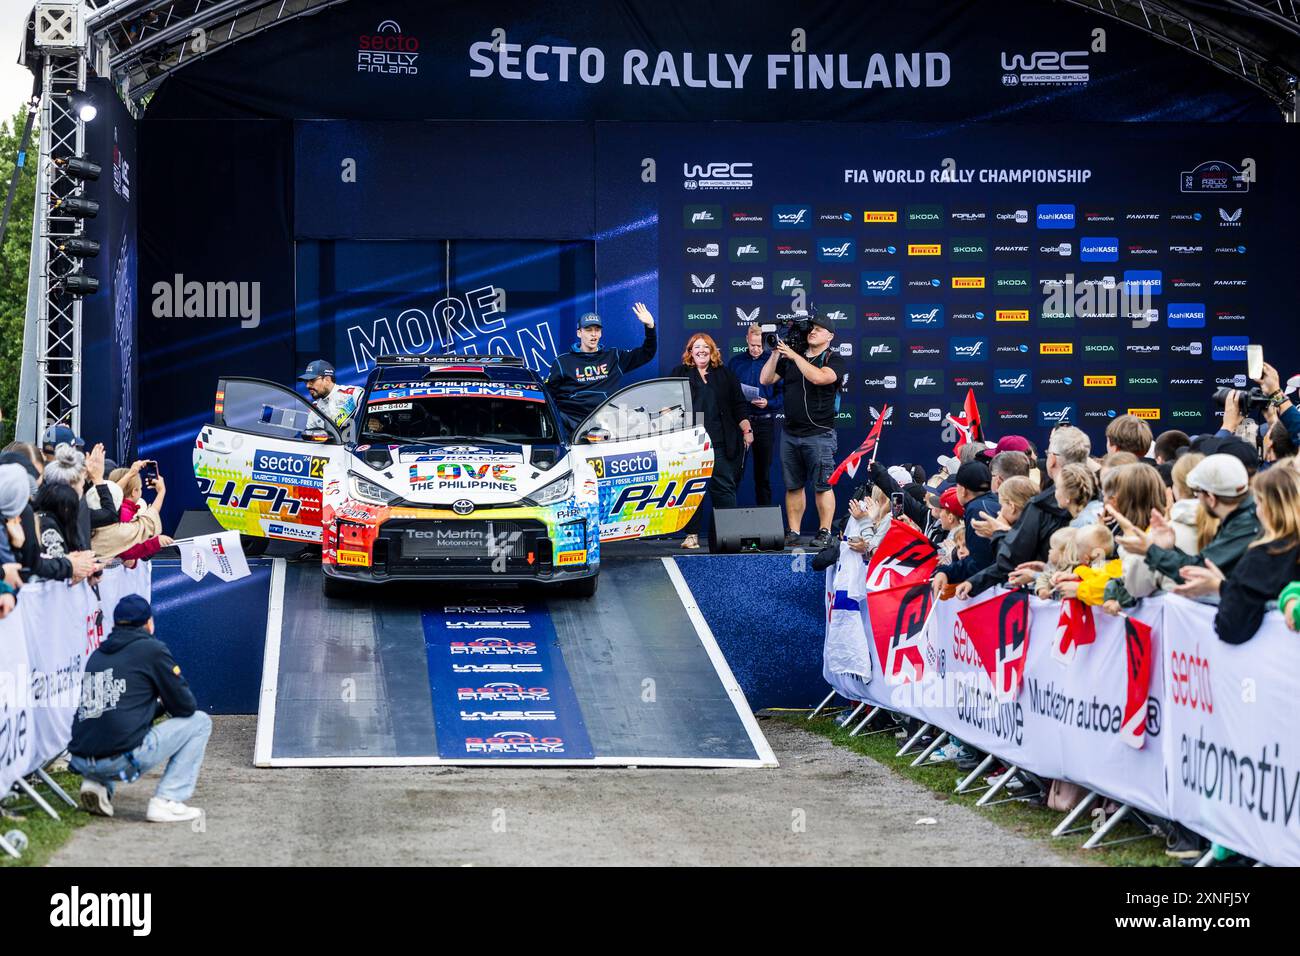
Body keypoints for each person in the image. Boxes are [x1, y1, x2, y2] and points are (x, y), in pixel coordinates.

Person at [68, 595, 211, 823]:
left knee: (112, 720)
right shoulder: (152, 650)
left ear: (114, 624)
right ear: (149, 623)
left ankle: (97, 783)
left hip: (81, 759)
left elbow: (108, 710)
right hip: (118, 759)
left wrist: (152, 706)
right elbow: (186, 707)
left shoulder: (97, 654)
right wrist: (162, 703)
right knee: (200, 722)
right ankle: (167, 801)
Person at [1168, 464, 1300, 644]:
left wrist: (1223, 588)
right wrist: (1222, 586)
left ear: (1268, 507)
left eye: (1258, 502)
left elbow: (1231, 625)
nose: (1257, 509)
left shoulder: (1265, 555)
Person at [959, 425, 1091, 596]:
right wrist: (974, 582)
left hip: (1060, 600)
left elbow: (1014, 559)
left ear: (1052, 460)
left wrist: (999, 533)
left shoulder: (1041, 505)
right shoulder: (1099, 497)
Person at [759, 313, 846, 550]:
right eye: (812, 328)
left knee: (822, 485)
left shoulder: (833, 358)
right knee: (793, 485)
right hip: (791, 433)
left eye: (820, 329)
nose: (813, 332)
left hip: (819, 433)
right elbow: (765, 379)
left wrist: (795, 355)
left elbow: (820, 378)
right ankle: (794, 531)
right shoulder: (790, 359)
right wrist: (777, 351)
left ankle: (825, 531)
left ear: (831, 336)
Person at [1116, 453, 1260, 589]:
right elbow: (1200, 566)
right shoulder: (1244, 518)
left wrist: (1150, 550)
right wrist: (1169, 548)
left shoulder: (1245, 524)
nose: (1197, 499)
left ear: (1211, 498)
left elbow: (1198, 572)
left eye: (1197, 493)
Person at [669, 334, 752, 549]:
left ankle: (728, 536)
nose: (701, 350)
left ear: (713, 350)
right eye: (697, 347)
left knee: (724, 489)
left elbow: (739, 405)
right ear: (690, 351)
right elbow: (667, 404)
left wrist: (747, 430)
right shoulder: (679, 374)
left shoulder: (725, 374)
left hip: (720, 442)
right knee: (692, 491)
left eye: (706, 346)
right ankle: (692, 535)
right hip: (690, 443)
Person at [545, 304, 657, 434]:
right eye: (588, 330)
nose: (593, 334)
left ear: (601, 333)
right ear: (579, 333)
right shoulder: (562, 362)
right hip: (572, 425)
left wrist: (650, 326)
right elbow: (548, 395)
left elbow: (647, 353)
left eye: (597, 330)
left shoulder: (614, 357)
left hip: (606, 423)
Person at [727, 323, 784, 506]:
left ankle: (765, 528)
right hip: (740, 424)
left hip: (765, 423)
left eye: (759, 345)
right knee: (734, 475)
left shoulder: (774, 361)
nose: (756, 349)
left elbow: (783, 394)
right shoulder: (735, 363)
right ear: (746, 340)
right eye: (752, 345)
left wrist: (769, 403)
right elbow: (728, 393)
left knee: (763, 477)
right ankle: (728, 524)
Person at [297, 359, 362, 433]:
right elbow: (310, 439)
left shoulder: (353, 393)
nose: (308, 385)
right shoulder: (314, 410)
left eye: (312, 380)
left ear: (327, 379)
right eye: (306, 382)